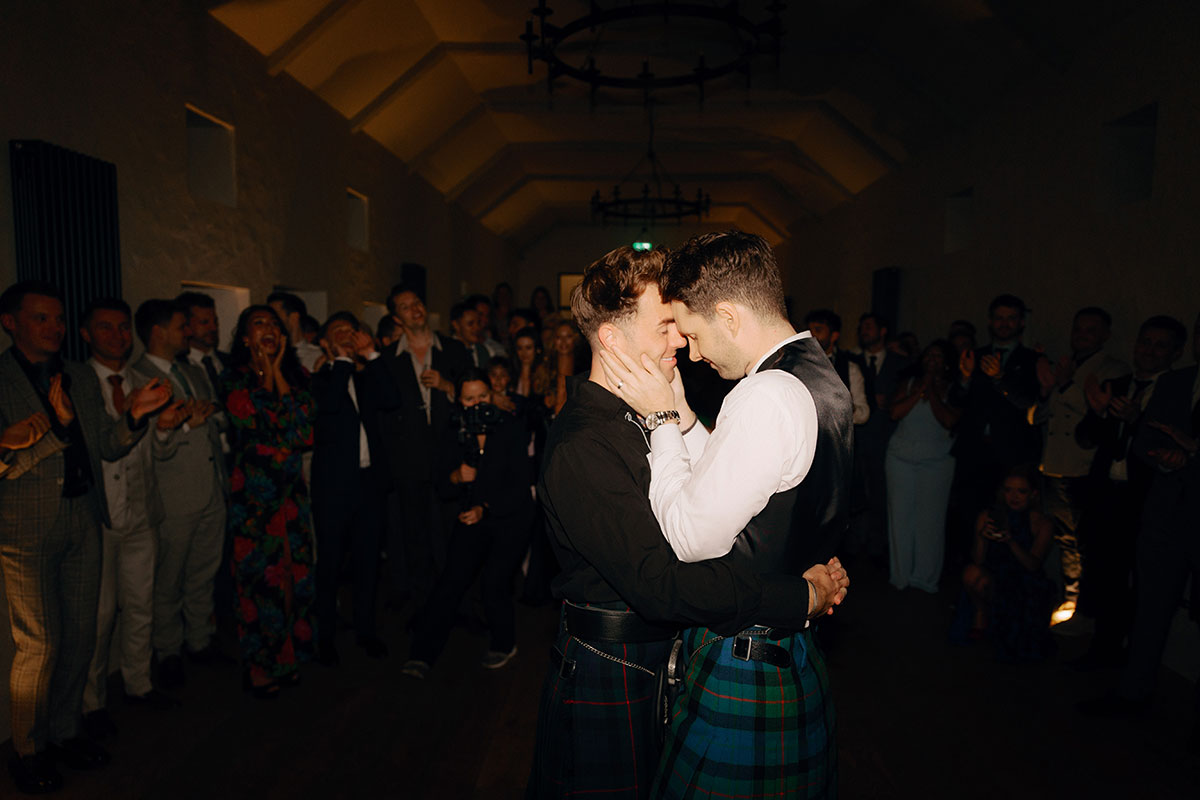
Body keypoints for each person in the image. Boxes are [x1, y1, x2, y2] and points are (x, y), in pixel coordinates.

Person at [527, 245, 844, 800]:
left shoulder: (645, 410)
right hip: (611, 663)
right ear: (611, 339)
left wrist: (671, 418)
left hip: (659, 656)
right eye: (665, 326)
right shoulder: (583, 444)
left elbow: (707, 499)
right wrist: (796, 597)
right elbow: (662, 585)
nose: (680, 341)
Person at [0, 281, 170, 793]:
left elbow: (105, 446)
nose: (53, 327)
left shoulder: (75, 375)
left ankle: (65, 732)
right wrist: (54, 431)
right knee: (39, 645)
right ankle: (27, 749)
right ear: (10, 322)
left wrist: (135, 416)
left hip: (84, 516)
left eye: (57, 318)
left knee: (81, 637)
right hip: (26, 528)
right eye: (40, 318)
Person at [80, 298, 187, 740]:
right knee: (100, 615)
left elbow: (159, 453)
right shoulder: (79, 384)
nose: (117, 336)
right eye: (105, 327)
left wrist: (163, 431)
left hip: (142, 512)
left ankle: (139, 684)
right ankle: (91, 703)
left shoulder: (149, 382)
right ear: (86, 334)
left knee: (142, 605)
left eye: (123, 327)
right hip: (100, 518)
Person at [401, 369, 534, 678]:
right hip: (473, 519)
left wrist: (484, 508)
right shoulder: (453, 432)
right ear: (459, 402)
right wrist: (456, 477)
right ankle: (422, 654)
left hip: (510, 519)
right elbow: (442, 485)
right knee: (450, 582)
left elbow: (520, 486)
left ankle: (504, 644)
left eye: (483, 396)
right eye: (469, 399)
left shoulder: (511, 427)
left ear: (493, 396)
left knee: (494, 583)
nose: (478, 404)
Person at [221, 305, 318, 698]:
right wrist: (268, 378)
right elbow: (258, 423)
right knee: (259, 581)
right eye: (259, 323)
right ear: (245, 338)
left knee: (293, 575)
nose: (270, 329)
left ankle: (287, 658)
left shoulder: (298, 375)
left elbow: (303, 434)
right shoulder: (234, 378)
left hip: (291, 493)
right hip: (254, 497)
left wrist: (277, 372)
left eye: (275, 324)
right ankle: (260, 665)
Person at [133, 300, 227, 690]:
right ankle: (168, 651)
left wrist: (211, 413)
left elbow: (217, 419)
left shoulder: (192, 371)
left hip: (211, 487)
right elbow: (149, 442)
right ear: (158, 332)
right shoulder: (137, 379)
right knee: (168, 579)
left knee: (204, 572)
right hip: (173, 494)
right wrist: (186, 424)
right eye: (181, 326)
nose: (188, 332)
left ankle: (200, 640)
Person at [311, 312, 400, 664]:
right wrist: (342, 361)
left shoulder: (364, 378)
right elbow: (329, 410)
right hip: (333, 488)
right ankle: (325, 636)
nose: (348, 335)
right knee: (330, 563)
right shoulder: (317, 379)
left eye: (352, 331)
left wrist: (372, 355)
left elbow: (392, 398)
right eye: (339, 332)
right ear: (324, 342)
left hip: (368, 484)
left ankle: (366, 631)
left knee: (367, 561)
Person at [1032, 307, 1128, 625]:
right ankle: (1067, 598)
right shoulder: (1063, 364)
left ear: (1105, 335)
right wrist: (1046, 391)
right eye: (1078, 329)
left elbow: (1099, 416)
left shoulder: (1113, 369)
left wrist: (1064, 386)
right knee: (1062, 539)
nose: (1082, 335)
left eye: (1091, 330)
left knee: (1081, 541)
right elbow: (1042, 415)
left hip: (1082, 467)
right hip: (1053, 463)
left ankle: (1081, 607)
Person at [378, 285, 471, 603]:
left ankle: (456, 603)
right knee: (414, 536)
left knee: (452, 533)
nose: (415, 309)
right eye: (406, 306)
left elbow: (475, 396)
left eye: (417, 302)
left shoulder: (454, 350)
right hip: (408, 464)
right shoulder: (389, 359)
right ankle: (423, 606)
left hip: (449, 459)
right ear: (396, 318)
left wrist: (447, 386)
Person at [885, 340, 963, 592]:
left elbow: (948, 421)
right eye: (929, 355)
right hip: (900, 458)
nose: (932, 360)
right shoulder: (909, 384)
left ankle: (925, 578)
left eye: (938, 357)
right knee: (900, 519)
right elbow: (895, 413)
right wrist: (920, 389)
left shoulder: (954, 389)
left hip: (937, 461)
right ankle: (900, 576)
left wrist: (933, 391)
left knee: (930, 521)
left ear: (947, 363)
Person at [961, 467, 1055, 661]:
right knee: (972, 574)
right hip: (995, 574)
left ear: (1033, 494)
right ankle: (980, 614)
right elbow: (978, 560)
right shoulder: (988, 516)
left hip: (1025, 581)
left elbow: (1033, 565)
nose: (1014, 496)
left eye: (1021, 491)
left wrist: (1011, 542)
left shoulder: (1042, 523)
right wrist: (982, 537)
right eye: (1008, 490)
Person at [852, 311, 911, 562]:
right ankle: (855, 544)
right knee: (855, 492)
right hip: (855, 439)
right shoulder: (851, 360)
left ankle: (879, 546)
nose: (864, 331)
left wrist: (892, 400)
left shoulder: (900, 362)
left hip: (886, 438)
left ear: (883, 331)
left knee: (882, 493)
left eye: (869, 326)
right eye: (862, 326)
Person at [804, 308, 869, 424]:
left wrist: (848, 405)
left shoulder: (850, 368)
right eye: (809, 331)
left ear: (834, 336)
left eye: (818, 330)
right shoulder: (798, 363)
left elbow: (863, 415)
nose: (811, 336)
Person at [267, 291, 323, 372]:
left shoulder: (317, 355)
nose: (271, 325)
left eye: (276, 318)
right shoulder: (270, 354)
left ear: (294, 318)